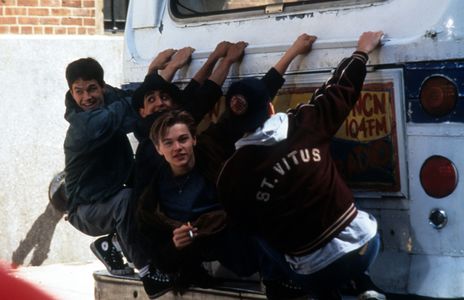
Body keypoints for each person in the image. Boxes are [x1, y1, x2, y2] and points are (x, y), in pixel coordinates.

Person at [136, 34, 317, 299]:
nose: (178, 148)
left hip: (240, 238)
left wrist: (292, 52)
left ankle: (283, 279)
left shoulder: (209, 148)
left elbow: (250, 103)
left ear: (194, 139)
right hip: (205, 256)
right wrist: (176, 245)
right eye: (169, 143)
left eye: (184, 139)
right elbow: (160, 257)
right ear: (158, 150)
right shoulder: (153, 198)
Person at [216, 31, 385, 299]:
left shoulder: (230, 177)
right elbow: (342, 88)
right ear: (271, 109)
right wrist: (362, 51)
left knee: (261, 235)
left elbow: (245, 227)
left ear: (233, 124)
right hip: (366, 247)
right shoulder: (305, 122)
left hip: (315, 273)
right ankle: (365, 286)